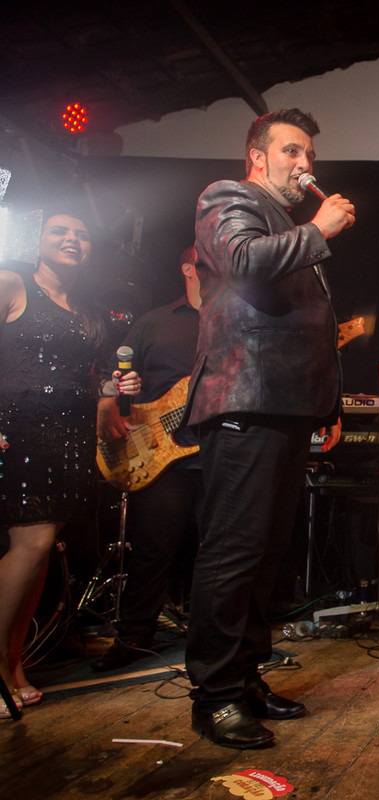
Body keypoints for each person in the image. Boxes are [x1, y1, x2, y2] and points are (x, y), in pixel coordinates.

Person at [185, 108, 354, 748]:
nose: (304, 164)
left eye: (308, 153)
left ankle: (245, 678)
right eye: (290, 151)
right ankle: (214, 696)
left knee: (265, 554)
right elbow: (242, 261)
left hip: (284, 404)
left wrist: (325, 404)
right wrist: (319, 229)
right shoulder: (227, 197)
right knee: (234, 551)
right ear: (257, 155)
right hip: (244, 398)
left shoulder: (287, 223)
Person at [0, 211, 141, 717]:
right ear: (36, 240)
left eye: (81, 234)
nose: (72, 240)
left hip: (68, 439)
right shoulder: (12, 282)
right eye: (59, 231)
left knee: (40, 553)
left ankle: (13, 663)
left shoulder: (85, 308)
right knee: (30, 542)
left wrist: (113, 392)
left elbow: (80, 380)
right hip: (18, 436)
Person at [93, 246, 204, 672]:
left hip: (215, 450)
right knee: (153, 548)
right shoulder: (154, 322)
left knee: (217, 550)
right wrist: (111, 396)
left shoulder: (231, 322)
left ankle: (212, 638)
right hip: (157, 454)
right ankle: (134, 635)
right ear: (188, 267)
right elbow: (112, 374)